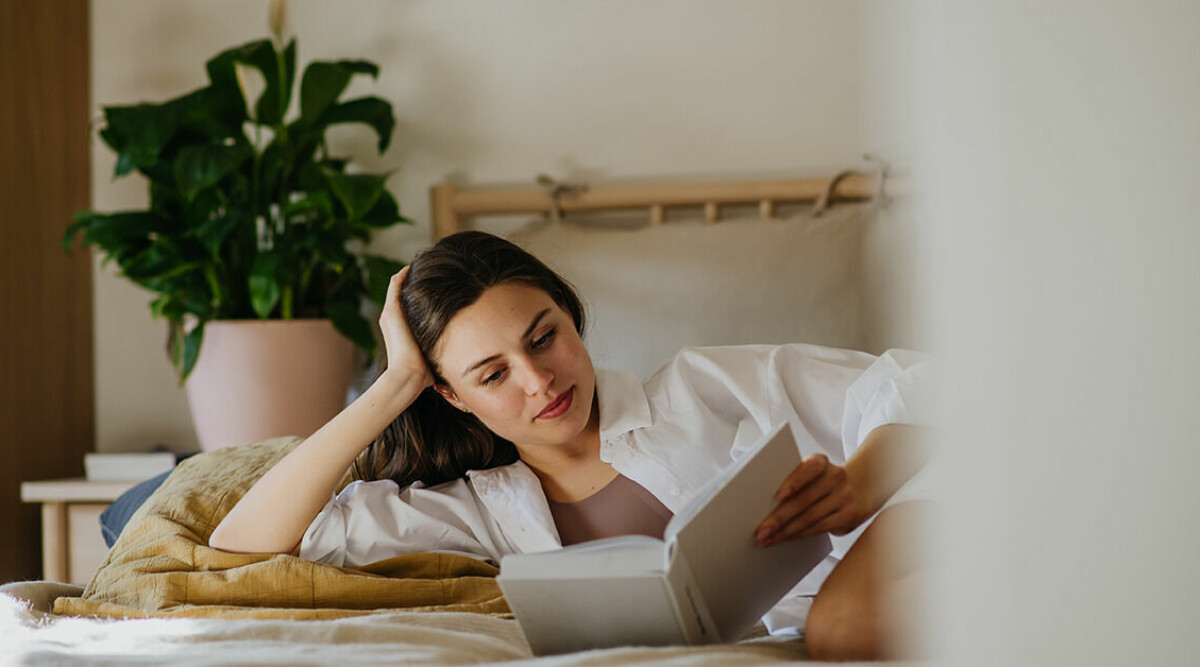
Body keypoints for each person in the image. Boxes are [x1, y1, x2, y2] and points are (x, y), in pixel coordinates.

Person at [209, 230, 934, 660]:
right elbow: (247, 543)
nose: (539, 380)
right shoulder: (480, 512)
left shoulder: (699, 386)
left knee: (842, 629)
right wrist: (395, 383)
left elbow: (929, 381)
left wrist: (865, 475)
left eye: (544, 336)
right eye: (493, 374)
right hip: (858, 608)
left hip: (921, 512)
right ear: (451, 394)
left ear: (569, 313)